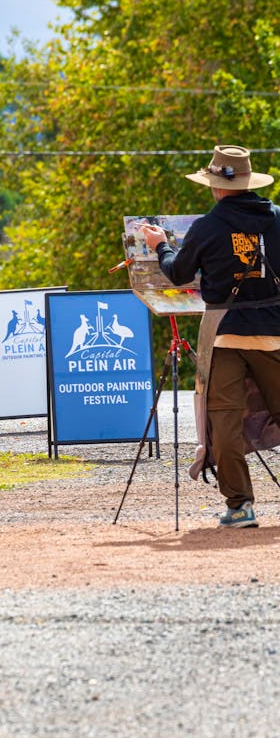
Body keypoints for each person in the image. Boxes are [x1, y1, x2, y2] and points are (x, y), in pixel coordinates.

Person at [139, 144, 280, 528]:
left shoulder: (207, 226)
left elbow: (180, 273)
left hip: (226, 334)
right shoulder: (277, 219)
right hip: (275, 331)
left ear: (216, 187)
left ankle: (241, 507)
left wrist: (160, 245)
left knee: (226, 421)